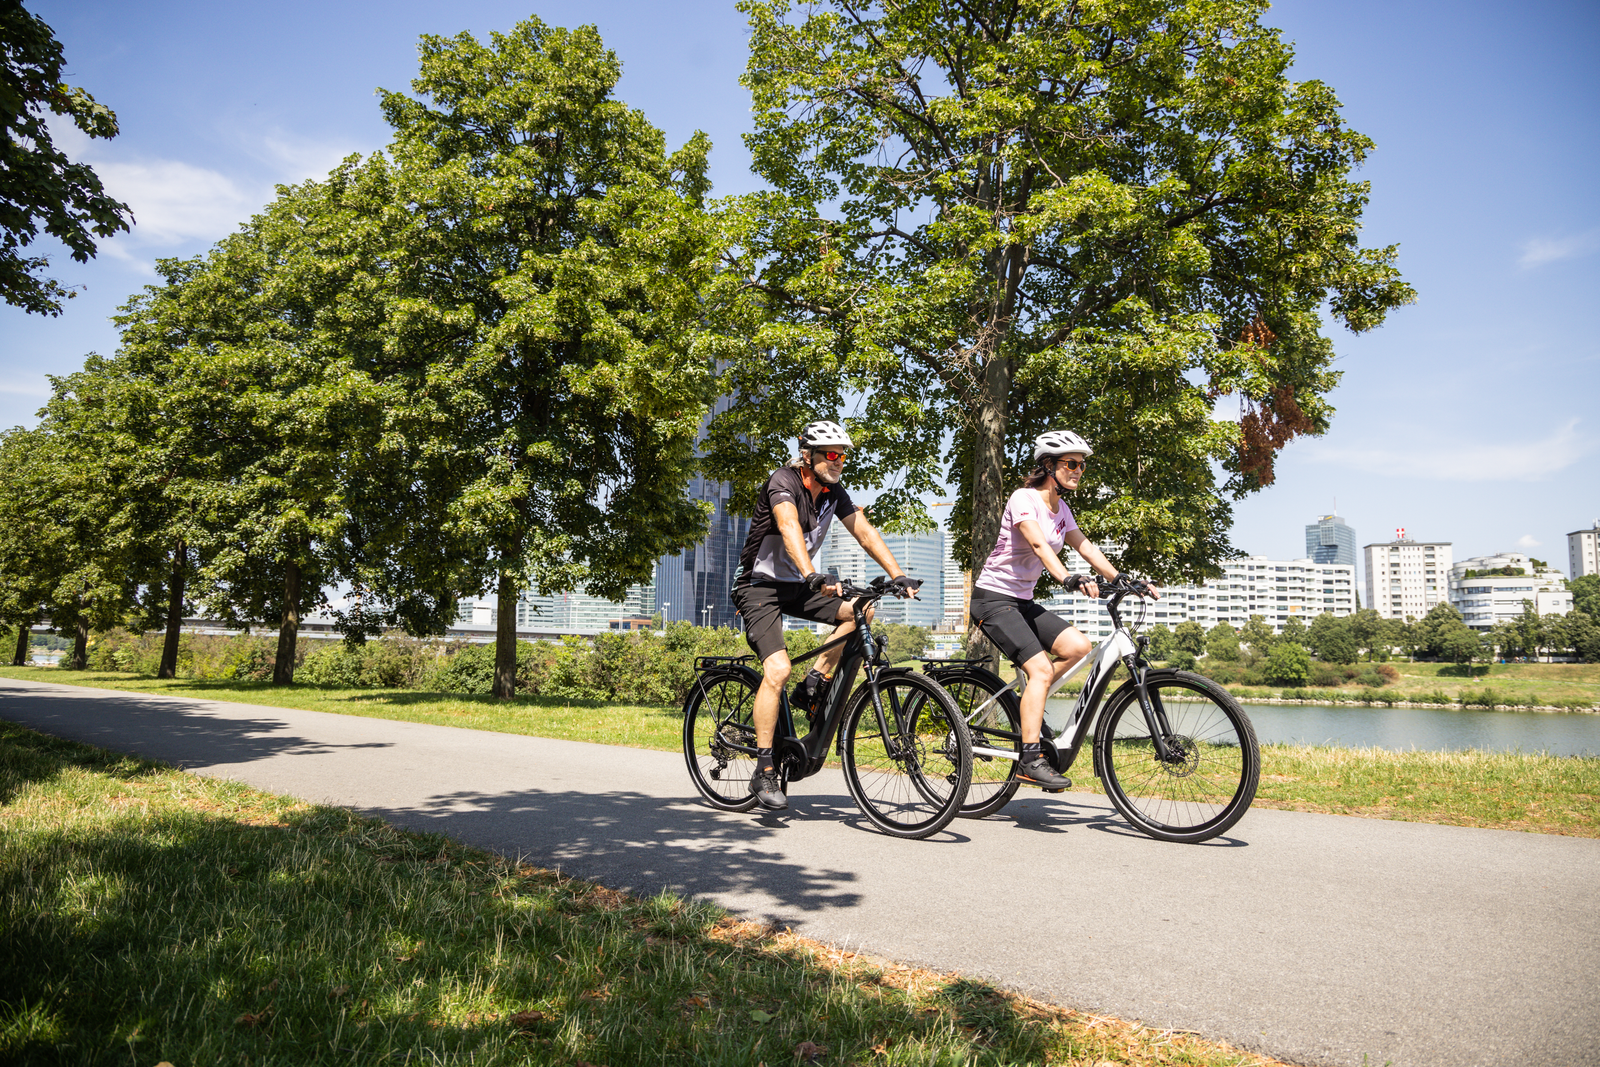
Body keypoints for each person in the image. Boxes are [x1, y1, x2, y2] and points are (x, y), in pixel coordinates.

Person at [731, 420, 922, 810]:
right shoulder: (783, 482)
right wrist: (812, 575)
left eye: (843, 455)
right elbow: (787, 528)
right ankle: (764, 769)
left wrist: (896, 574)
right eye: (831, 454)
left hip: (800, 586)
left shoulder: (834, 493)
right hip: (758, 586)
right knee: (777, 670)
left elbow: (865, 533)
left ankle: (814, 681)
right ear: (808, 456)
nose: (839, 461)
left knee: (861, 611)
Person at [968, 429, 1158, 790]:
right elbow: (1039, 545)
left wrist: (1125, 579)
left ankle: (1029, 705)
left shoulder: (1063, 508)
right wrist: (1067, 578)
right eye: (1071, 464)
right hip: (993, 599)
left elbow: (1086, 547)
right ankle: (1029, 758)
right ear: (1049, 466)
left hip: (1021, 602)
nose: (1078, 470)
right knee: (1040, 669)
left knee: (1079, 648)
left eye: (1081, 466)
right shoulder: (1024, 498)